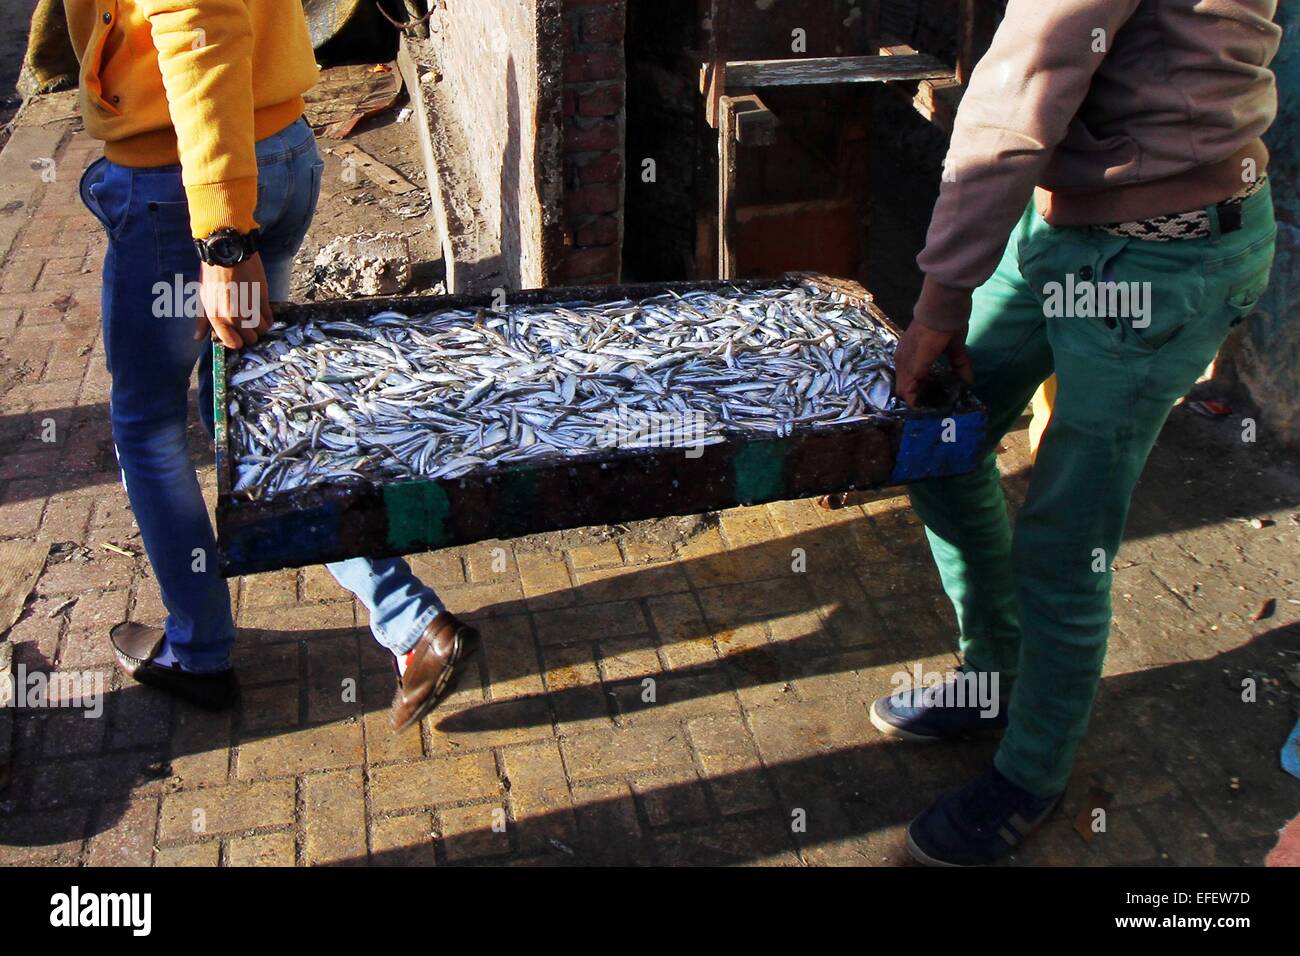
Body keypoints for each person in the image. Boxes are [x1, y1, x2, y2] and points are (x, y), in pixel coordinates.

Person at [878, 0, 1280, 865]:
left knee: (1065, 540)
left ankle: (1031, 771)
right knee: (943, 448)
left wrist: (940, 297)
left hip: (1160, 258)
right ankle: (994, 676)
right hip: (1062, 222)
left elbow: (1027, 81)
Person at [67, 0, 476, 731]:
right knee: (248, 415)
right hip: (278, 147)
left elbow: (198, 29)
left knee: (148, 426)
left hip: (188, 185)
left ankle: (198, 651)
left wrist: (223, 239)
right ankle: (413, 626)